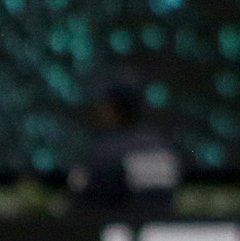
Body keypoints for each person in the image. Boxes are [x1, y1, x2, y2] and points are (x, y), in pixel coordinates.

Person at [67, 72, 182, 215]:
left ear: (111, 109)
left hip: (120, 232)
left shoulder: (106, 153)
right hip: (163, 232)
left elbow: (82, 209)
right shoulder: (163, 148)